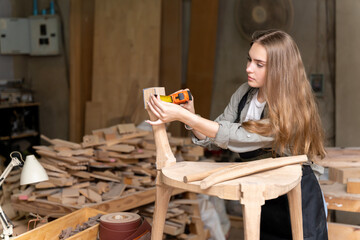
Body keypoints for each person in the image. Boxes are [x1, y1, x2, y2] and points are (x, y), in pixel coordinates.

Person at [146, 29, 328, 239]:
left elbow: (243, 136)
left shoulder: (293, 105)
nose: (249, 68)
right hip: (263, 189)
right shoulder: (245, 93)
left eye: (259, 64)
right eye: (249, 60)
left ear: (280, 68)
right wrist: (191, 115)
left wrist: (187, 118)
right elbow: (219, 134)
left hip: (298, 193)